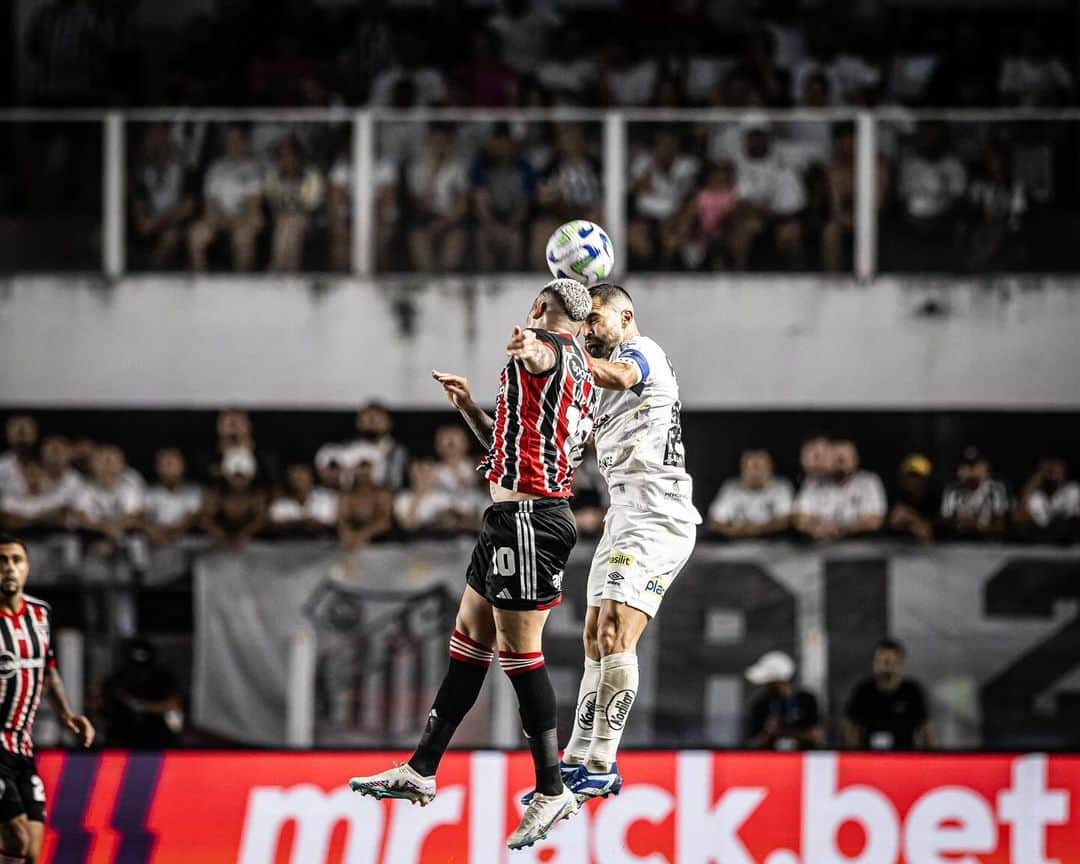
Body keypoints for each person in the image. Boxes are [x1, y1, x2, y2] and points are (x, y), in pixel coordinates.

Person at [349, 278, 596, 850]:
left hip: (532, 519)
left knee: (520, 654)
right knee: (468, 639)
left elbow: (543, 351)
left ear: (539, 309)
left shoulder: (550, 350)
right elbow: (505, 449)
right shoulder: (569, 369)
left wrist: (531, 343)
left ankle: (551, 787)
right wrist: (466, 407)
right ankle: (422, 768)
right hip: (506, 516)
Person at [551, 283, 701, 801]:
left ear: (625, 316)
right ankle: (574, 759)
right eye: (584, 322)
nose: (588, 329)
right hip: (626, 514)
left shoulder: (641, 352)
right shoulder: (596, 384)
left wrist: (559, 345)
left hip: (659, 515)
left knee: (616, 631)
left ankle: (602, 762)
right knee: (594, 634)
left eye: (596, 319)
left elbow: (621, 374)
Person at [0, 535, 94, 864]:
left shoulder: (40, 615)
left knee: (32, 852)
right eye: (2, 561)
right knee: (16, 835)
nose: (9, 568)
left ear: (26, 567)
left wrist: (68, 715)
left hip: (22, 749)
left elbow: (48, 670)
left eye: (16, 560)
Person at [187, 126, 263, 272]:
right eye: (229, 140)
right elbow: (210, 205)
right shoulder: (215, 168)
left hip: (245, 219)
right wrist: (219, 221)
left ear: (243, 142)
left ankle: (243, 285)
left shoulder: (253, 168)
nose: (232, 144)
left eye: (236, 140)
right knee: (196, 234)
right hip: (219, 219)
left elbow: (252, 207)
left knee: (242, 236)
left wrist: (235, 221)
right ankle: (202, 285)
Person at [845, 639, 935, 751]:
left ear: (899, 663)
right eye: (878, 662)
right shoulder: (864, 691)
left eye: (887, 662)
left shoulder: (912, 692)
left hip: (904, 757)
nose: (882, 667)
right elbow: (852, 729)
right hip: (870, 758)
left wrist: (927, 758)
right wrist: (854, 755)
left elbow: (926, 729)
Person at [102, 636, 182, 748]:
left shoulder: (163, 678)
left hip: (156, 739)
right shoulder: (117, 679)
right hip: (122, 740)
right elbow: (102, 706)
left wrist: (140, 706)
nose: (140, 674)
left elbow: (174, 704)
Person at [744, 650, 823, 751]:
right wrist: (768, 732)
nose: (764, 686)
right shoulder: (761, 704)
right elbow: (753, 743)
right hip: (770, 761)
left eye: (768, 682)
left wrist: (782, 732)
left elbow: (816, 735)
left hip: (803, 759)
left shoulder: (806, 700)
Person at [708, 448, 793, 539]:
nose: (754, 472)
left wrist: (755, 530)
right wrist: (732, 531)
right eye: (749, 466)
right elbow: (714, 520)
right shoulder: (731, 488)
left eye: (758, 466)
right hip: (736, 544)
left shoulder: (781, 487)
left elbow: (785, 521)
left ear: (770, 467)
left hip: (771, 543)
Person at [940, 446, 1009, 539]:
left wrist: (977, 525)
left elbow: (1001, 525)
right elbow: (944, 523)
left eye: (977, 465)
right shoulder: (952, 490)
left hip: (988, 543)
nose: (971, 470)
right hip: (958, 543)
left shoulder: (995, 488)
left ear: (986, 467)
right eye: (966, 466)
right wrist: (957, 522)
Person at [142, 448, 203, 545]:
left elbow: (191, 519)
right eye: (164, 464)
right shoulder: (150, 492)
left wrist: (167, 534)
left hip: (186, 542)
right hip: (156, 542)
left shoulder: (194, 491)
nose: (169, 469)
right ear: (157, 468)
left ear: (182, 466)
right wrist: (153, 533)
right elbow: (144, 518)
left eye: (172, 463)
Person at [1016, 457, 1080, 542]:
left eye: (1058, 472)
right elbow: (1021, 517)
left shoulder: (1072, 490)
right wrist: (1039, 475)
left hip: (1069, 542)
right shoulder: (1037, 496)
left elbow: (1070, 520)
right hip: (1041, 541)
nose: (1054, 477)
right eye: (1050, 472)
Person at [268, 463, 338, 539]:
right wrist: (301, 523)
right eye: (295, 479)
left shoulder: (327, 498)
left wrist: (302, 523)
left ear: (311, 479)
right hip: (289, 545)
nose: (299, 483)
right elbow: (275, 524)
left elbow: (331, 523)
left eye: (302, 478)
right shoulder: (280, 503)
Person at [888, 453, 938, 543]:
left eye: (917, 477)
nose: (913, 481)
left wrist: (911, 519)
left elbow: (927, 531)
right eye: (909, 476)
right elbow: (893, 522)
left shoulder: (935, 500)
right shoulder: (895, 497)